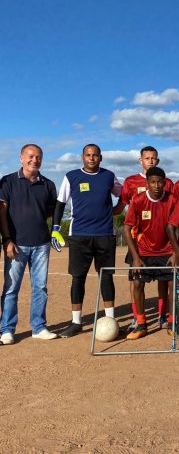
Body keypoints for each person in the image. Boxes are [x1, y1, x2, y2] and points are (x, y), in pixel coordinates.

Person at [52, 144, 123, 338]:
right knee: (78, 278)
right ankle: (76, 322)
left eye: (95, 155)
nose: (91, 158)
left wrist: (116, 210)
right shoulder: (71, 176)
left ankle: (111, 319)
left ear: (101, 157)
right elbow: (60, 203)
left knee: (106, 277)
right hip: (79, 235)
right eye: (88, 155)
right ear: (82, 157)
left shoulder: (109, 176)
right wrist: (55, 228)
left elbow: (122, 195)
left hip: (105, 235)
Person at [0, 144, 58, 344]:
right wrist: (7, 239)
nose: (35, 160)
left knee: (40, 287)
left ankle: (39, 327)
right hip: (16, 245)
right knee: (11, 288)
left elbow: (51, 211)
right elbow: (2, 213)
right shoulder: (8, 181)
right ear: (21, 158)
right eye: (31, 156)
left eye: (39, 157)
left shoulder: (49, 184)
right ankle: (7, 330)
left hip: (41, 243)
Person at [120, 146, 173, 331]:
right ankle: (139, 320)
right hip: (140, 245)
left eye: (153, 158)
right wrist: (135, 256)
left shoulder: (171, 196)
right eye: (147, 158)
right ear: (140, 160)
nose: (150, 160)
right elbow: (123, 207)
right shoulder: (134, 189)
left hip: (165, 248)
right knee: (136, 281)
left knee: (167, 282)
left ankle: (164, 317)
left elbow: (175, 224)